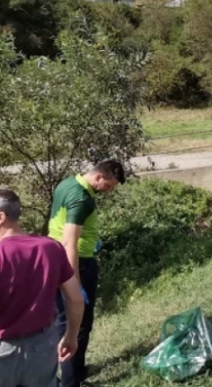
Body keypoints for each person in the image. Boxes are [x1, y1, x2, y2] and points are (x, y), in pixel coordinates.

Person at [0, 188, 84, 387]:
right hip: (43, 348)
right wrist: (71, 337)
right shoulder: (51, 248)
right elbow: (76, 298)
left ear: (0, 217)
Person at [49, 160, 125, 387]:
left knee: (69, 322)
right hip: (76, 263)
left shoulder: (67, 184)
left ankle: (78, 371)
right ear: (99, 177)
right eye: (109, 186)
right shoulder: (81, 198)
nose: (108, 191)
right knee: (76, 323)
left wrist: (93, 242)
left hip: (57, 259)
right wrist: (74, 284)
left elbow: (63, 227)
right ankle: (71, 382)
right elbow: (69, 242)